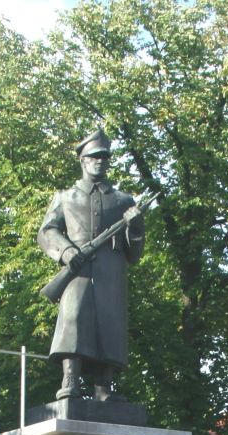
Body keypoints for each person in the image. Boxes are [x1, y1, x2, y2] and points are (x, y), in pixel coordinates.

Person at [37, 128, 146, 401]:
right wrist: (66, 251)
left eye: (104, 157)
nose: (100, 161)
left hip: (111, 272)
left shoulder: (123, 201)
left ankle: (104, 386)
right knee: (74, 318)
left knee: (109, 323)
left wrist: (136, 227)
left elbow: (134, 254)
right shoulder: (65, 197)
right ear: (83, 160)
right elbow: (47, 230)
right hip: (78, 268)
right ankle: (70, 379)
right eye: (95, 157)